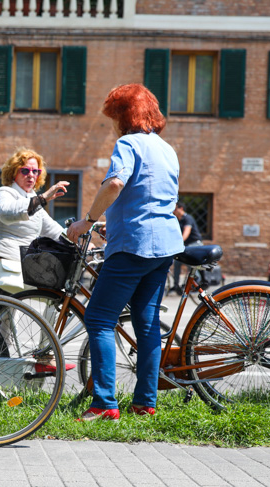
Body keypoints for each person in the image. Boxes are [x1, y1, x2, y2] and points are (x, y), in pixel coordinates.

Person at [67, 83, 183, 421]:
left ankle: (104, 404)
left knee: (99, 318)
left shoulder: (128, 143)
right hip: (164, 246)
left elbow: (116, 183)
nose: (112, 125)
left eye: (113, 117)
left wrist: (87, 221)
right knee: (146, 325)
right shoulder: (166, 149)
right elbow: (148, 197)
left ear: (123, 117)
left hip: (134, 245)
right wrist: (111, 224)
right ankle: (145, 402)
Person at [0, 148, 70, 293]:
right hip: (0, 264)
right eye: (25, 171)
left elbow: (54, 230)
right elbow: (7, 213)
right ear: (13, 172)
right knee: (49, 293)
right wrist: (42, 198)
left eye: (36, 171)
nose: (31, 175)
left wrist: (79, 238)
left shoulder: (33, 200)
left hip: (21, 266)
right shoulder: (3, 192)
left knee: (53, 294)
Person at [171, 201, 203, 292]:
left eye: (175, 209)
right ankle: (176, 285)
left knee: (190, 262)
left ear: (181, 209)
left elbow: (186, 232)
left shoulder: (188, 218)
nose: (173, 211)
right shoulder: (178, 220)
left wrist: (178, 242)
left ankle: (197, 282)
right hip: (185, 244)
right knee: (177, 262)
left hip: (194, 243)